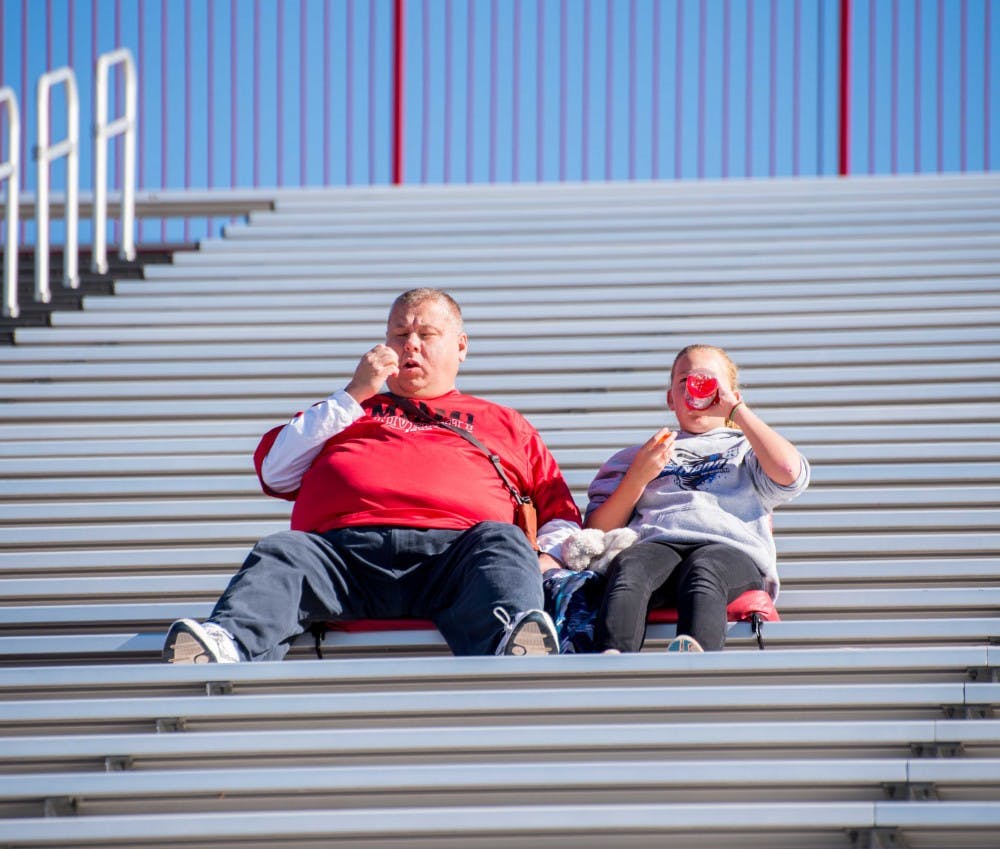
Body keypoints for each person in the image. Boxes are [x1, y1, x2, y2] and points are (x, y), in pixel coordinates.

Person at [163, 288, 581, 663]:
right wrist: (353, 393)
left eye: (426, 335)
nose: (410, 345)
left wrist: (544, 559)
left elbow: (559, 512)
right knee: (284, 550)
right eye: (399, 335)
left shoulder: (504, 421)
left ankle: (511, 640)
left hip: (455, 558)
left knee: (502, 538)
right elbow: (276, 472)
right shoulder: (347, 409)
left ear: (461, 346)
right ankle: (230, 642)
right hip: (344, 559)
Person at [581, 343, 810, 653]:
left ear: (733, 395)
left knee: (706, 569)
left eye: (710, 381)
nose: (697, 388)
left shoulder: (748, 449)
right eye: (684, 380)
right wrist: (638, 476)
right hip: (657, 545)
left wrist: (736, 413)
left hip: (729, 549)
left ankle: (695, 655)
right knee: (629, 566)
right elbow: (597, 528)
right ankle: (612, 657)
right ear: (670, 398)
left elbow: (789, 472)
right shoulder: (640, 455)